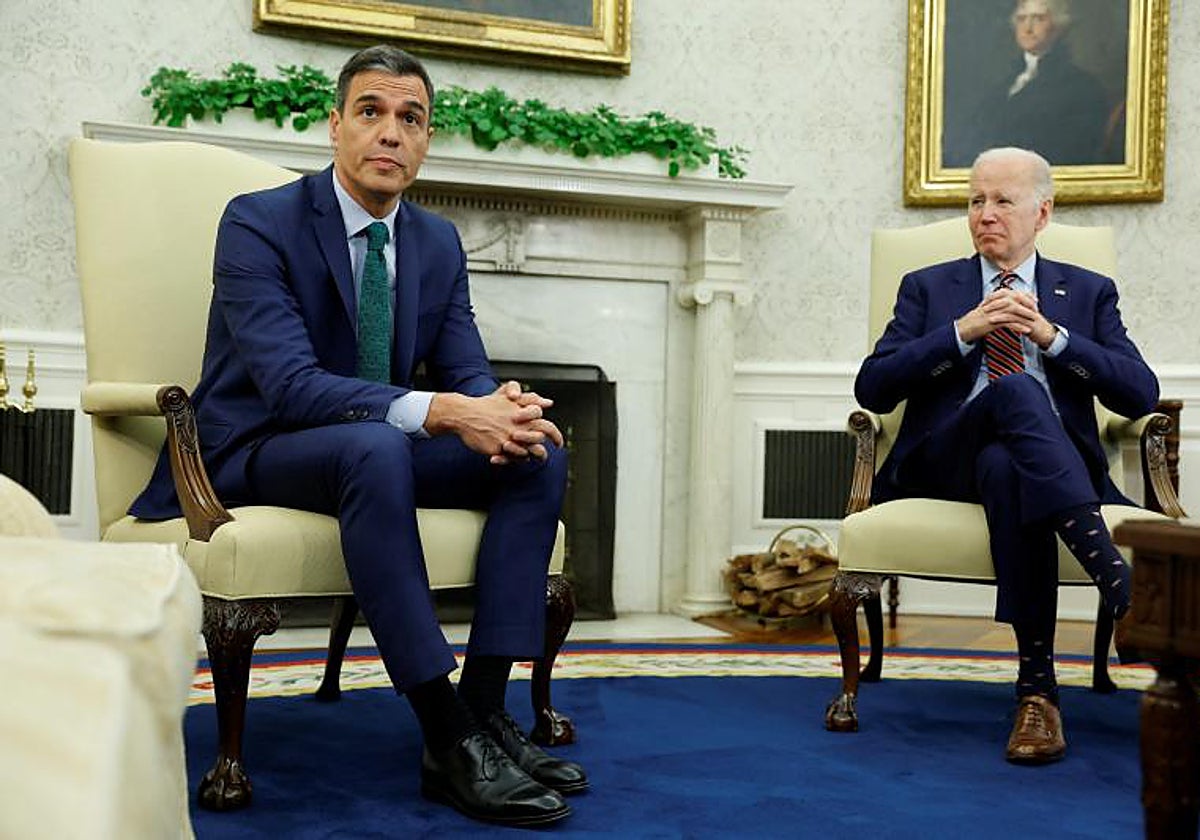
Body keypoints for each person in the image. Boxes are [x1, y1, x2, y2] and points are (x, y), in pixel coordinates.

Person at [130, 45, 584, 825]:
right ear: (335, 126)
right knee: (375, 444)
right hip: (259, 447)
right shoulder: (258, 223)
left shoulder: (436, 242)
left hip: (368, 447)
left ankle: (482, 714)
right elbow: (292, 387)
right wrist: (445, 411)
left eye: (411, 119)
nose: (390, 133)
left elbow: (464, 368)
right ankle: (443, 735)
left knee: (536, 449)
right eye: (371, 112)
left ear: (427, 140)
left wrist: (498, 405)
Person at [855, 146, 1157, 764]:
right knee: (1013, 390)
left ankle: (1037, 697)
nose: (984, 214)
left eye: (1002, 201)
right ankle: (1121, 590)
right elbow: (874, 386)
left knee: (1007, 464)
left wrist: (1054, 337)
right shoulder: (929, 287)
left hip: (1041, 468)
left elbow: (1139, 393)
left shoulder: (1089, 292)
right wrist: (963, 332)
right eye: (975, 200)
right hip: (941, 463)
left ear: (1042, 213)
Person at [944, 0, 1119, 167]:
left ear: (1058, 27)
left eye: (1039, 18)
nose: (1028, 28)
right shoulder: (1005, 83)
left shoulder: (1081, 87)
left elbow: (1072, 152)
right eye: (1021, 19)